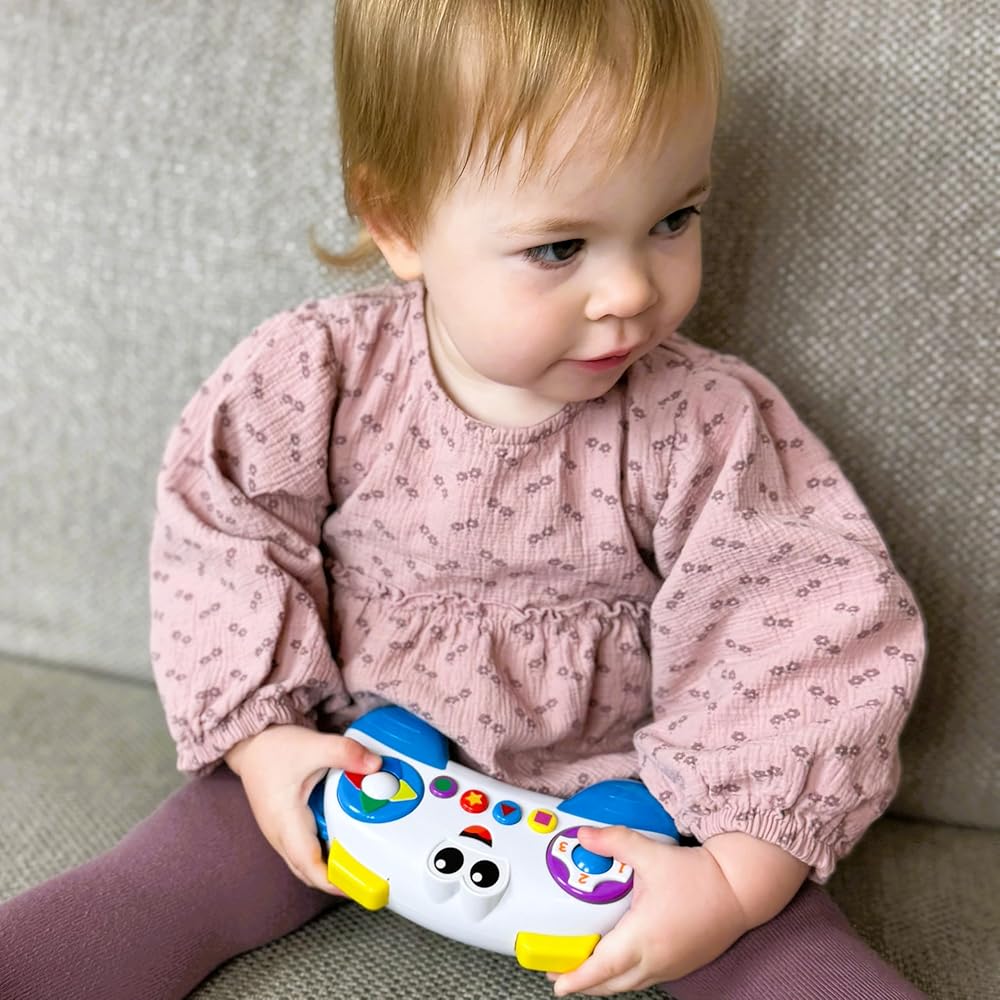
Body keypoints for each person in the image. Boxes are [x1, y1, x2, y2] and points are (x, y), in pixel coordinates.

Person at [0, 1, 928, 998]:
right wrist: (266, 743)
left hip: (637, 814)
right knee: (151, 890)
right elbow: (224, 539)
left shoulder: (707, 423)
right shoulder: (316, 376)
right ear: (398, 221)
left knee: (790, 957)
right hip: (353, 764)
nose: (630, 291)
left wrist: (736, 879)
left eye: (671, 220)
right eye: (559, 247)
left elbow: (799, 621)